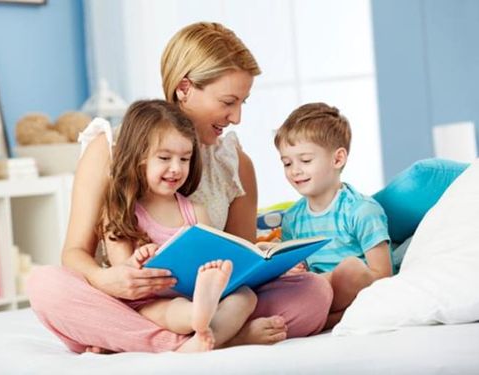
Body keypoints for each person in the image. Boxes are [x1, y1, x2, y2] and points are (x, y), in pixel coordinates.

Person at [27, 22, 332, 354]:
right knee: (46, 286)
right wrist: (107, 280)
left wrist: (271, 264)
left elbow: (243, 263)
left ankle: (150, 339)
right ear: (185, 87)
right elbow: (74, 253)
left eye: (243, 102)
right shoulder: (110, 148)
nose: (237, 117)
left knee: (314, 292)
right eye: (229, 101)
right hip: (128, 301)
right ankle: (186, 343)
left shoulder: (236, 164)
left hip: (210, 302)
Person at [100, 99, 257, 352]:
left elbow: (212, 257)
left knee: (246, 297)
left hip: (194, 292)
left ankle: (205, 336)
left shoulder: (195, 211)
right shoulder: (121, 210)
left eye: (184, 159)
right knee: (174, 311)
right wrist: (138, 259)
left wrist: (223, 268)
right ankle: (200, 322)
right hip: (150, 301)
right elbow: (123, 273)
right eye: (165, 157)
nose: (176, 168)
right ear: (139, 156)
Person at [274, 102, 392, 330]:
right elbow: (299, 269)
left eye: (305, 160)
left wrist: (326, 280)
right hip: (314, 294)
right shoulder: (292, 218)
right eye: (287, 163)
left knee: (351, 268)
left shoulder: (362, 210)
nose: (294, 170)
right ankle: (320, 317)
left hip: (351, 290)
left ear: (337, 159)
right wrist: (293, 270)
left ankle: (333, 319)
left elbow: (383, 276)